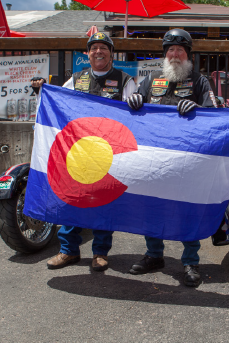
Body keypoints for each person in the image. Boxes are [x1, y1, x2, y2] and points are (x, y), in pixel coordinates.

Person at [122, 28, 212, 287]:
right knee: (152, 207)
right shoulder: (151, 79)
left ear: (188, 55)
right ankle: (154, 255)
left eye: (180, 50)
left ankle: (190, 261)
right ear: (164, 54)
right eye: (170, 50)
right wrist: (135, 99)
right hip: (154, 159)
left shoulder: (199, 81)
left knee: (187, 211)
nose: (174, 55)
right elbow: (133, 110)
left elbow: (216, 115)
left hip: (187, 160)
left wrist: (199, 110)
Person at [48, 30, 134, 272]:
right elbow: (57, 104)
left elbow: (134, 118)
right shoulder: (75, 80)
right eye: (94, 48)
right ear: (87, 54)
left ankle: (100, 253)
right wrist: (41, 91)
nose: (98, 51)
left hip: (109, 154)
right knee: (72, 202)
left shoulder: (126, 81)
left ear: (111, 54)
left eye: (103, 48)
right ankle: (68, 251)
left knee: (103, 204)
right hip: (78, 153)